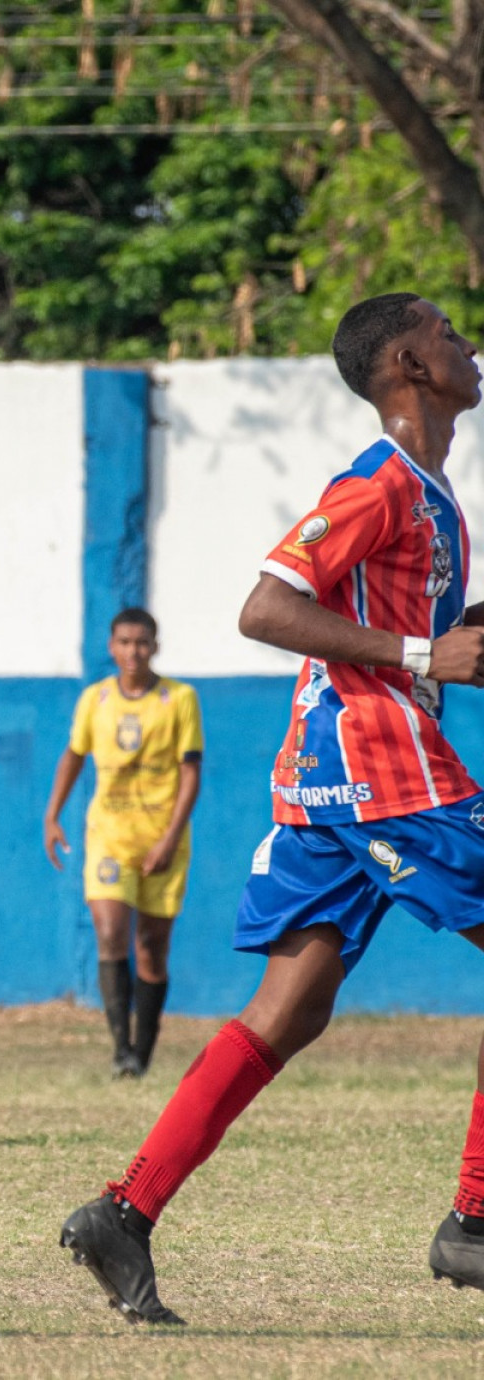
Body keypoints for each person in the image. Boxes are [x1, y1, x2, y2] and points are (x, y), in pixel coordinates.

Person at [59, 293, 484, 1325]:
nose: (467, 341)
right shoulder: (377, 483)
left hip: (335, 775)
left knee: (289, 1012)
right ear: (406, 365)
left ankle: (124, 1213)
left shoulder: (432, 498)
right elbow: (264, 608)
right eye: (445, 330)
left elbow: (414, 628)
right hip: (378, 768)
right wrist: (429, 654)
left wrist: (451, 641)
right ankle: (473, 1223)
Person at [44, 609, 203, 1077]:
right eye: (124, 642)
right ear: (112, 647)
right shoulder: (95, 700)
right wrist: (53, 815)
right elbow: (74, 756)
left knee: (152, 946)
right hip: (109, 836)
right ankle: (121, 1054)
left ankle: (143, 1050)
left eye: (142, 642)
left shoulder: (179, 699)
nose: (133, 651)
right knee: (111, 931)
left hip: (162, 839)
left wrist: (170, 838)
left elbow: (190, 772)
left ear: (154, 646)